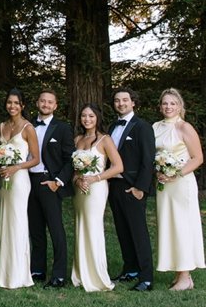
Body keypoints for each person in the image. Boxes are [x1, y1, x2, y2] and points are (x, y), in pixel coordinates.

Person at [153, 88, 204, 291]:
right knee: (169, 226)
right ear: (160, 106)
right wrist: (157, 171)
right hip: (163, 184)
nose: (168, 107)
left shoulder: (184, 127)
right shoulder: (155, 127)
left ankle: (185, 276)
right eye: (165, 103)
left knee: (182, 225)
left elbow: (198, 158)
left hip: (181, 183)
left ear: (180, 106)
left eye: (173, 103)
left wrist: (176, 174)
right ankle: (178, 272)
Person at [108, 87, 156, 290]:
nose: (121, 104)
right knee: (122, 231)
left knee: (138, 233)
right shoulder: (111, 127)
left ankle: (146, 277)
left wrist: (140, 188)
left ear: (133, 102)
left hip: (132, 187)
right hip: (115, 185)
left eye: (125, 100)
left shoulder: (142, 127)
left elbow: (148, 159)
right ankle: (130, 269)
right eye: (117, 101)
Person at [71, 103, 122, 292]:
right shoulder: (77, 139)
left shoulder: (105, 140)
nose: (87, 119)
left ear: (97, 118)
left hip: (97, 188)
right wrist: (77, 180)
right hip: (80, 190)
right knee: (80, 226)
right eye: (84, 116)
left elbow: (118, 167)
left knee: (93, 227)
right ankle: (80, 273)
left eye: (91, 116)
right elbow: (75, 170)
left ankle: (97, 276)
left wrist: (95, 178)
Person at [27, 89, 74, 288]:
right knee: (35, 228)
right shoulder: (27, 125)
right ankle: (37, 269)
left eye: (50, 102)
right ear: (37, 102)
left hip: (50, 183)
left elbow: (69, 159)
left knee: (56, 229)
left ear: (55, 106)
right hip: (29, 181)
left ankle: (59, 274)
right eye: (42, 100)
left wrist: (58, 182)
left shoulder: (62, 128)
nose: (45, 104)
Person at [0, 88, 40, 289]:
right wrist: (0, 165)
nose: (12, 106)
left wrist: (16, 167)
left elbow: (36, 159)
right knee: (6, 223)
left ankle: (19, 274)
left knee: (18, 222)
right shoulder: (1, 126)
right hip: (4, 180)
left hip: (20, 179)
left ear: (23, 106)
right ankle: (5, 273)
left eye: (16, 103)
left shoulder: (28, 128)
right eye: (9, 102)